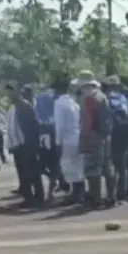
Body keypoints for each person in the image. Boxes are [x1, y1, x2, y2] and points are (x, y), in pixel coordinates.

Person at [5, 83, 44, 208]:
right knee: (23, 174)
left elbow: (34, 127)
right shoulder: (12, 108)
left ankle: (38, 199)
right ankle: (29, 198)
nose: (10, 94)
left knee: (32, 173)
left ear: (18, 92)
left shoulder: (25, 106)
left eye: (12, 91)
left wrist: (33, 145)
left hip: (26, 146)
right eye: (8, 92)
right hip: (17, 146)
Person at [78, 76, 114, 208]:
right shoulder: (102, 97)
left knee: (92, 169)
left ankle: (96, 198)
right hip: (105, 136)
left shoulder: (88, 99)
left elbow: (87, 122)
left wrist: (83, 139)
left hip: (92, 137)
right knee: (107, 167)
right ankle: (111, 196)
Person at [53, 76, 84, 205]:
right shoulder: (73, 102)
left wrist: (58, 143)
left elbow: (59, 126)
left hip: (67, 137)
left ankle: (76, 193)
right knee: (78, 165)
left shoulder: (59, 103)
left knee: (68, 165)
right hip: (77, 135)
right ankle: (79, 191)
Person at [102, 76, 128, 203]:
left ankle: (112, 194)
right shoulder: (123, 98)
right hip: (125, 133)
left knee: (110, 164)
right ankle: (122, 193)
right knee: (122, 165)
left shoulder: (106, 99)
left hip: (113, 133)